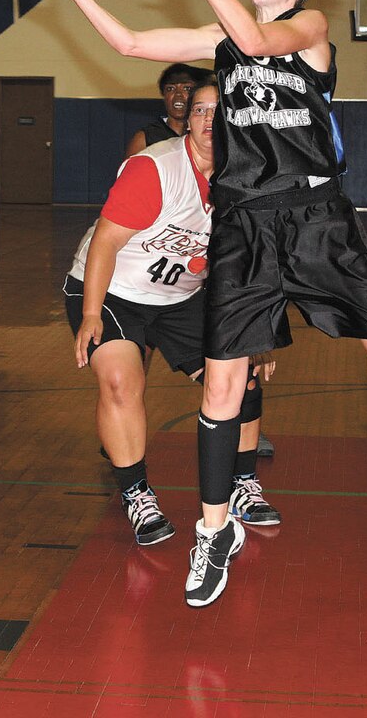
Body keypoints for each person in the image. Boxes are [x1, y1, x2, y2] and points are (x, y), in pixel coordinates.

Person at [17, 0, 367, 606]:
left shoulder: (310, 31)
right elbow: (129, 43)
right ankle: (213, 529)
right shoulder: (218, 43)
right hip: (245, 229)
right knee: (222, 390)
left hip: (319, 219)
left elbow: (256, 41)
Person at [64, 81, 280, 546]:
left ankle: (242, 484)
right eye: (199, 110)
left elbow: (255, 260)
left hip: (182, 298)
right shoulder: (155, 168)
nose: (206, 119)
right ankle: (137, 494)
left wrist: (257, 329)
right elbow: (104, 242)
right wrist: (90, 314)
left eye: (217, 110)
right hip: (113, 289)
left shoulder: (248, 178)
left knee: (242, 379)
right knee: (122, 381)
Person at [125, 63, 275, 457]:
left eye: (187, 90)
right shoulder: (151, 144)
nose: (179, 95)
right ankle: (121, 436)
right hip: (146, 273)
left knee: (237, 366)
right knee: (129, 370)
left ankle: (239, 432)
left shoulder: (231, 154)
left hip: (199, 276)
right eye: (171, 89)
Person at [125, 63, 212, 157]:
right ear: (164, 95)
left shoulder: (207, 133)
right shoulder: (146, 138)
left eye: (186, 88)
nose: (178, 94)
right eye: (170, 89)